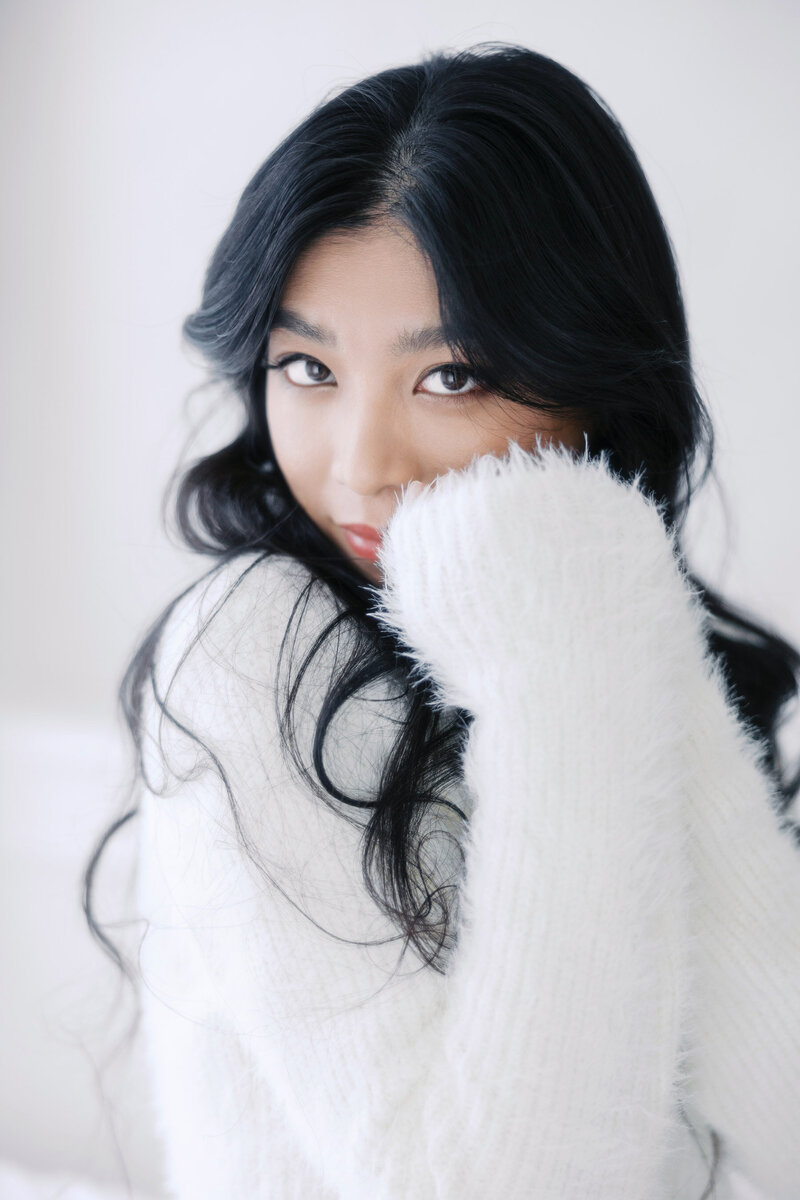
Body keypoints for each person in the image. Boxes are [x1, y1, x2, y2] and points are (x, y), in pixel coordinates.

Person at [84, 42, 800, 1199]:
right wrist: (567, 673)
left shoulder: (599, 606)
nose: (360, 465)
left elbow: (783, 1107)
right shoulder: (251, 646)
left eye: (451, 377)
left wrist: (602, 609)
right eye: (306, 368)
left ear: (592, 383)